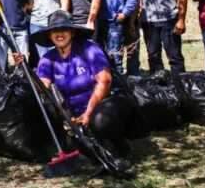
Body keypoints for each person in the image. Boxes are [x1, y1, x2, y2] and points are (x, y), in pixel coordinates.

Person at [33, 10, 147, 158]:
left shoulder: (89, 49)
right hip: (77, 115)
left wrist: (88, 112)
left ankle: (121, 150)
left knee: (99, 120)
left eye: (64, 29)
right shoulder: (48, 59)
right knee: (71, 146)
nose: (59, 34)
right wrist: (25, 70)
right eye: (55, 31)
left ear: (72, 32)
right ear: (49, 35)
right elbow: (42, 87)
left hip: (108, 104)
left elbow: (104, 81)